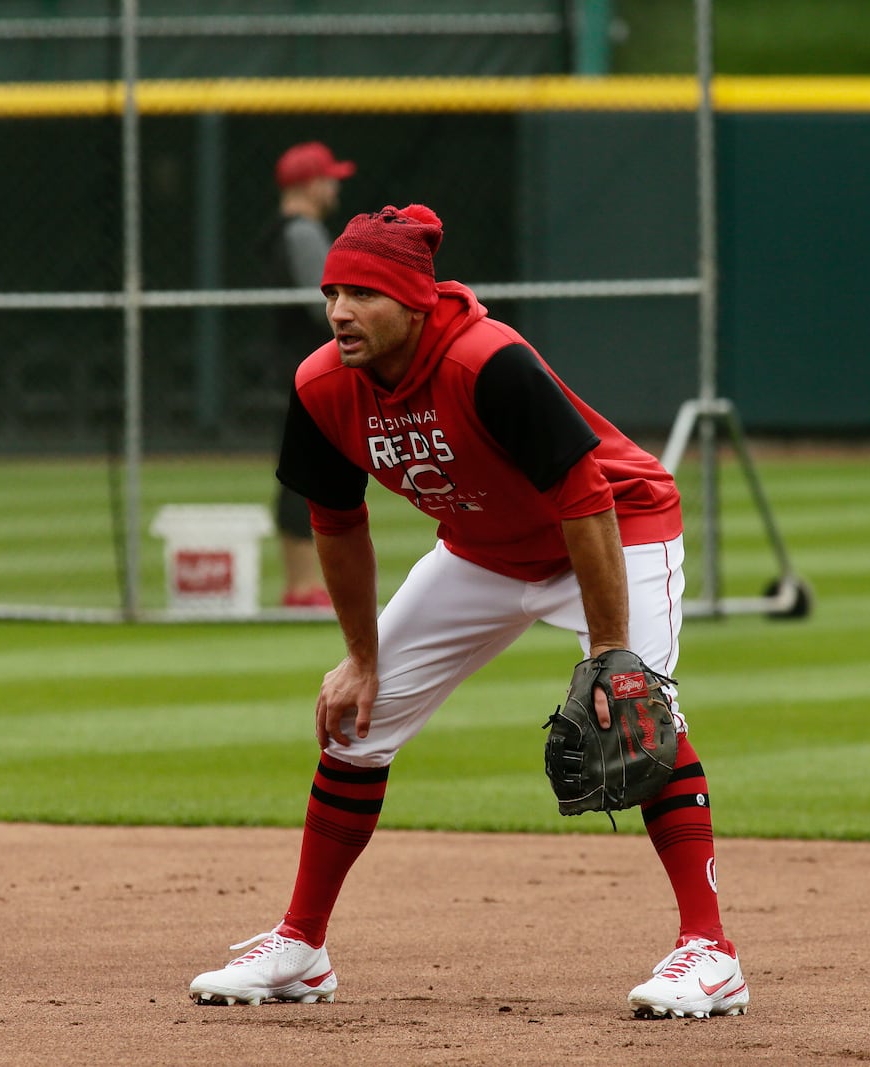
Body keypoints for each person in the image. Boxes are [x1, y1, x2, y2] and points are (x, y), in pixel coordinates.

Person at [189, 204, 749, 1019]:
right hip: (482, 549)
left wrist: (610, 652)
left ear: (414, 304)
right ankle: (301, 947)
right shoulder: (321, 386)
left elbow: (585, 495)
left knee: (636, 714)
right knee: (358, 720)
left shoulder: (489, 364)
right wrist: (362, 657)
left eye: (363, 294)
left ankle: (710, 952)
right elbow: (337, 523)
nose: (340, 311)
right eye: (332, 292)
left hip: (614, 525)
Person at [261, 141, 356, 609]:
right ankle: (301, 587)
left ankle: (300, 585)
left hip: (291, 366)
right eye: (329, 176)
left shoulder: (285, 230)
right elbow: (321, 305)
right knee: (306, 476)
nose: (335, 184)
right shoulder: (301, 232)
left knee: (300, 474)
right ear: (309, 183)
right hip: (306, 371)